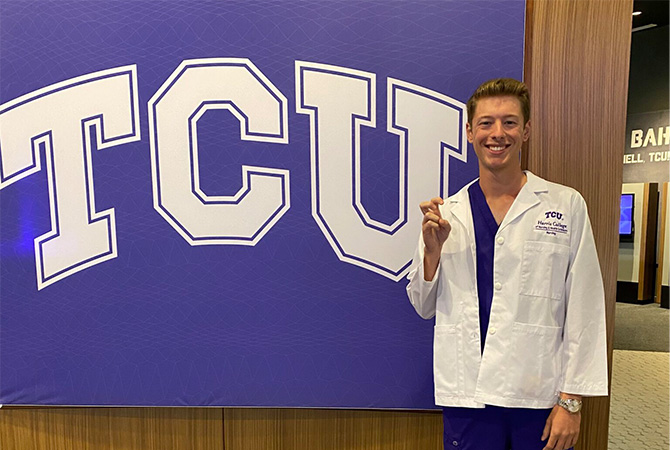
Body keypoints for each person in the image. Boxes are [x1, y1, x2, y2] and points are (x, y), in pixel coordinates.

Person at [406, 78, 608, 450]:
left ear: (526, 130)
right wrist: (431, 254)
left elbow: (585, 308)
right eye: (486, 123)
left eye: (510, 122)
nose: (497, 133)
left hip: (538, 396)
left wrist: (572, 401)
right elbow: (423, 306)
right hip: (469, 394)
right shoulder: (446, 213)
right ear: (470, 132)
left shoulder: (564, 205)